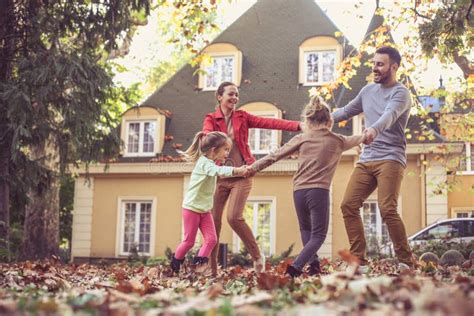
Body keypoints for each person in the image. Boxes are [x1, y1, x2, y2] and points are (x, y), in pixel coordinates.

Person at [247, 95, 365, 277]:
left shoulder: (302, 138)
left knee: (306, 229)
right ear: (330, 120)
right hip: (319, 191)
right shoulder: (338, 140)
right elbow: (360, 138)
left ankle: (314, 264)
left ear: (308, 121)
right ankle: (295, 268)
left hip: (299, 191)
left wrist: (252, 168)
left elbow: (274, 155)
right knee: (318, 235)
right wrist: (368, 135)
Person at [202, 81, 301, 275]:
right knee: (213, 222)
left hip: (243, 173)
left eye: (237, 95)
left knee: (233, 217)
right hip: (220, 176)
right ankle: (211, 269)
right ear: (219, 97)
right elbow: (206, 137)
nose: (235, 98)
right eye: (231, 94)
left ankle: (257, 256)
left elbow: (270, 123)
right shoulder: (211, 119)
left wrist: (299, 126)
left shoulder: (242, 117)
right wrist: (208, 140)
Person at [332, 46, 414, 272]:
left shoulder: (401, 93)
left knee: (387, 208)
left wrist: (373, 131)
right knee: (348, 204)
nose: (375, 68)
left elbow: (389, 116)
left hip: (391, 157)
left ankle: (406, 261)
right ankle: (359, 261)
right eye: (374, 63)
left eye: (380, 64)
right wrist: (319, 119)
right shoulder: (367, 90)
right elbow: (346, 111)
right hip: (367, 158)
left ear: (393, 67)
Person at [170, 131, 248, 274]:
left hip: (205, 210)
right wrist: (237, 170)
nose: (227, 153)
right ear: (213, 150)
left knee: (211, 240)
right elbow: (218, 171)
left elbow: (218, 170)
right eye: (225, 149)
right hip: (191, 209)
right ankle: (175, 265)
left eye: (228, 150)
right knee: (189, 242)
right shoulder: (204, 163)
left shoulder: (211, 164)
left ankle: (198, 268)